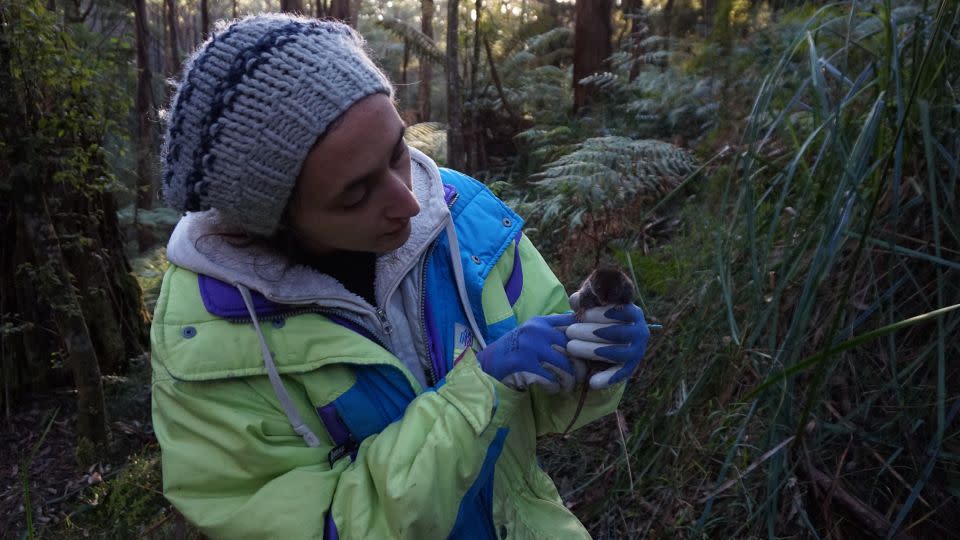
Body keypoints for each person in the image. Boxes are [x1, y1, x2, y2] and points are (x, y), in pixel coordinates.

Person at [150, 13, 649, 540]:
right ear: (270, 219)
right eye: (356, 194)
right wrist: (477, 393)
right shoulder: (206, 343)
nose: (409, 202)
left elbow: (552, 405)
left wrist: (591, 358)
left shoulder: (463, 219)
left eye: (397, 152)